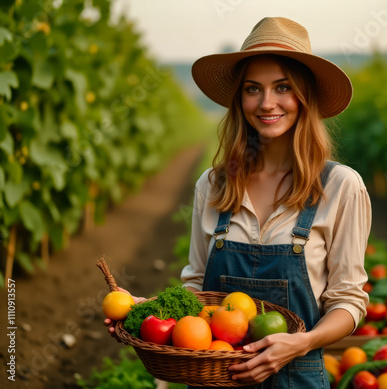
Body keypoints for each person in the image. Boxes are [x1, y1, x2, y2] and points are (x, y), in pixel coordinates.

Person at [106, 17, 370, 388]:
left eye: (282, 87)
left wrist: (300, 343)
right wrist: (148, 312)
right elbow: (198, 288)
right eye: (252, 89)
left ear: (303, 97)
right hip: (213, 378)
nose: (266, 103)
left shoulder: (340, 186)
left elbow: (348, 301)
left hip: (297, 378)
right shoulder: (213, 185)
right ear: (239, 99)